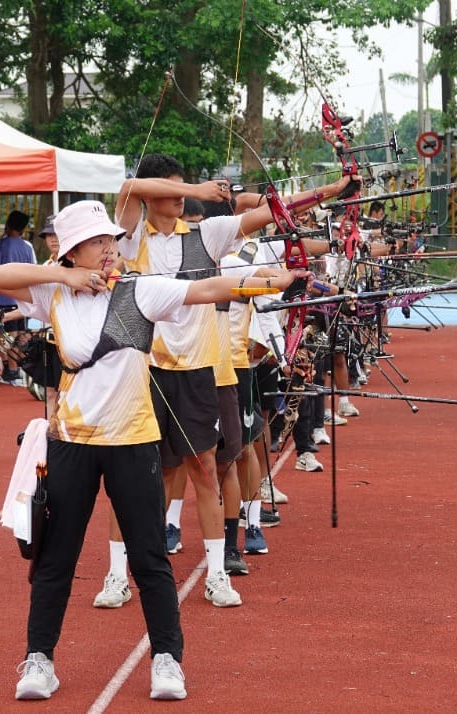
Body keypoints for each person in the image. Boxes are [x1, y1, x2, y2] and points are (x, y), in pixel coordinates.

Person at [0, 199, 310, 701]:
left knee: (150, 556)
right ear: (72, 251)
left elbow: (205, 287)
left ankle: (167, 660)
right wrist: (66, 278)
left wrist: (271, 281)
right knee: (55, 558)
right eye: (97, 242)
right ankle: (39, 660)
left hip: (133, 441)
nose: (110, 248)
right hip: (72, 442)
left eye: (111, 240)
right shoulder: (53, 288)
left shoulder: (140, 289)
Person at [111, 154, 351, 609]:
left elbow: (273, 211)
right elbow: (125, 190)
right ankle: (116, 575)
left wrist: (333, 189)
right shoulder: (131, 235)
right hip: (145, 371)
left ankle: (217, 573)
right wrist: (197, 190)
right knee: (143, 477)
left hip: (200, 369)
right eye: (170, 189)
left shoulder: (207, 234)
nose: (178, 198)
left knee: (204, 470)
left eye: (182, 189)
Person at [0, 209, 36, 385]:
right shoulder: (26, 248)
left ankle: (6, 365)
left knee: (6, 334)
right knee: (19, 334)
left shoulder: (0, 246)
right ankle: (15, 367)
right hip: (22, 298)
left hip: (3, 298)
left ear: (8, 225)